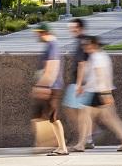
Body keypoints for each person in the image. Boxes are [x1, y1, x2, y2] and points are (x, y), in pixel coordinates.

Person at [71, 36, 122, 152]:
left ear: (93, 45)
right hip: (100, 91)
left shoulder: (97, 57)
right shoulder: (101, 55)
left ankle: (81, 144)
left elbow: (100, 75)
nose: (84, 47)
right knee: (110, 118)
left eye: (86, 45)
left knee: (85, 116)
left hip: (98, 92)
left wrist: (105, 94)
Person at [31, 23, 68, 156]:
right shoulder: (51, 46)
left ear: (43, 32)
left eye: (38, 33)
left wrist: (43, 86)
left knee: (53, 118)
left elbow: (51, 69)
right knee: (43, 117)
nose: (37, 36)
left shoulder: (52, 46)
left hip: (51, 88)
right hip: (50, 87)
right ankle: (53, 144)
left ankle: (61, 147)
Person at [63, 18, 93, 151]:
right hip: (81, 82)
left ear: (80, 28)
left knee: (81, 113)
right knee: (76, 111)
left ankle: (82, 142)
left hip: (80, 83)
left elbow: (82, 64)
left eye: (74, 28)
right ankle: (88, 138)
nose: (71, 30)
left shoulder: (82, 42)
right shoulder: (82, 41)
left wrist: (80, 85)